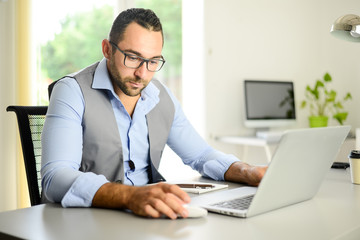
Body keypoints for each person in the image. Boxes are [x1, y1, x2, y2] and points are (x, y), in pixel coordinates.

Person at [41, 8, 267, 220]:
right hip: (87, 221)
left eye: (153, 61)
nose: (142, 73)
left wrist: (248, 171)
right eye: (132, 57)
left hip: (145, 219)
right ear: (107, 49)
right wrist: (129, 196)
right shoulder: (71, 91)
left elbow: (200, 155)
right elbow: (56, 177)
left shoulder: (160, 95)